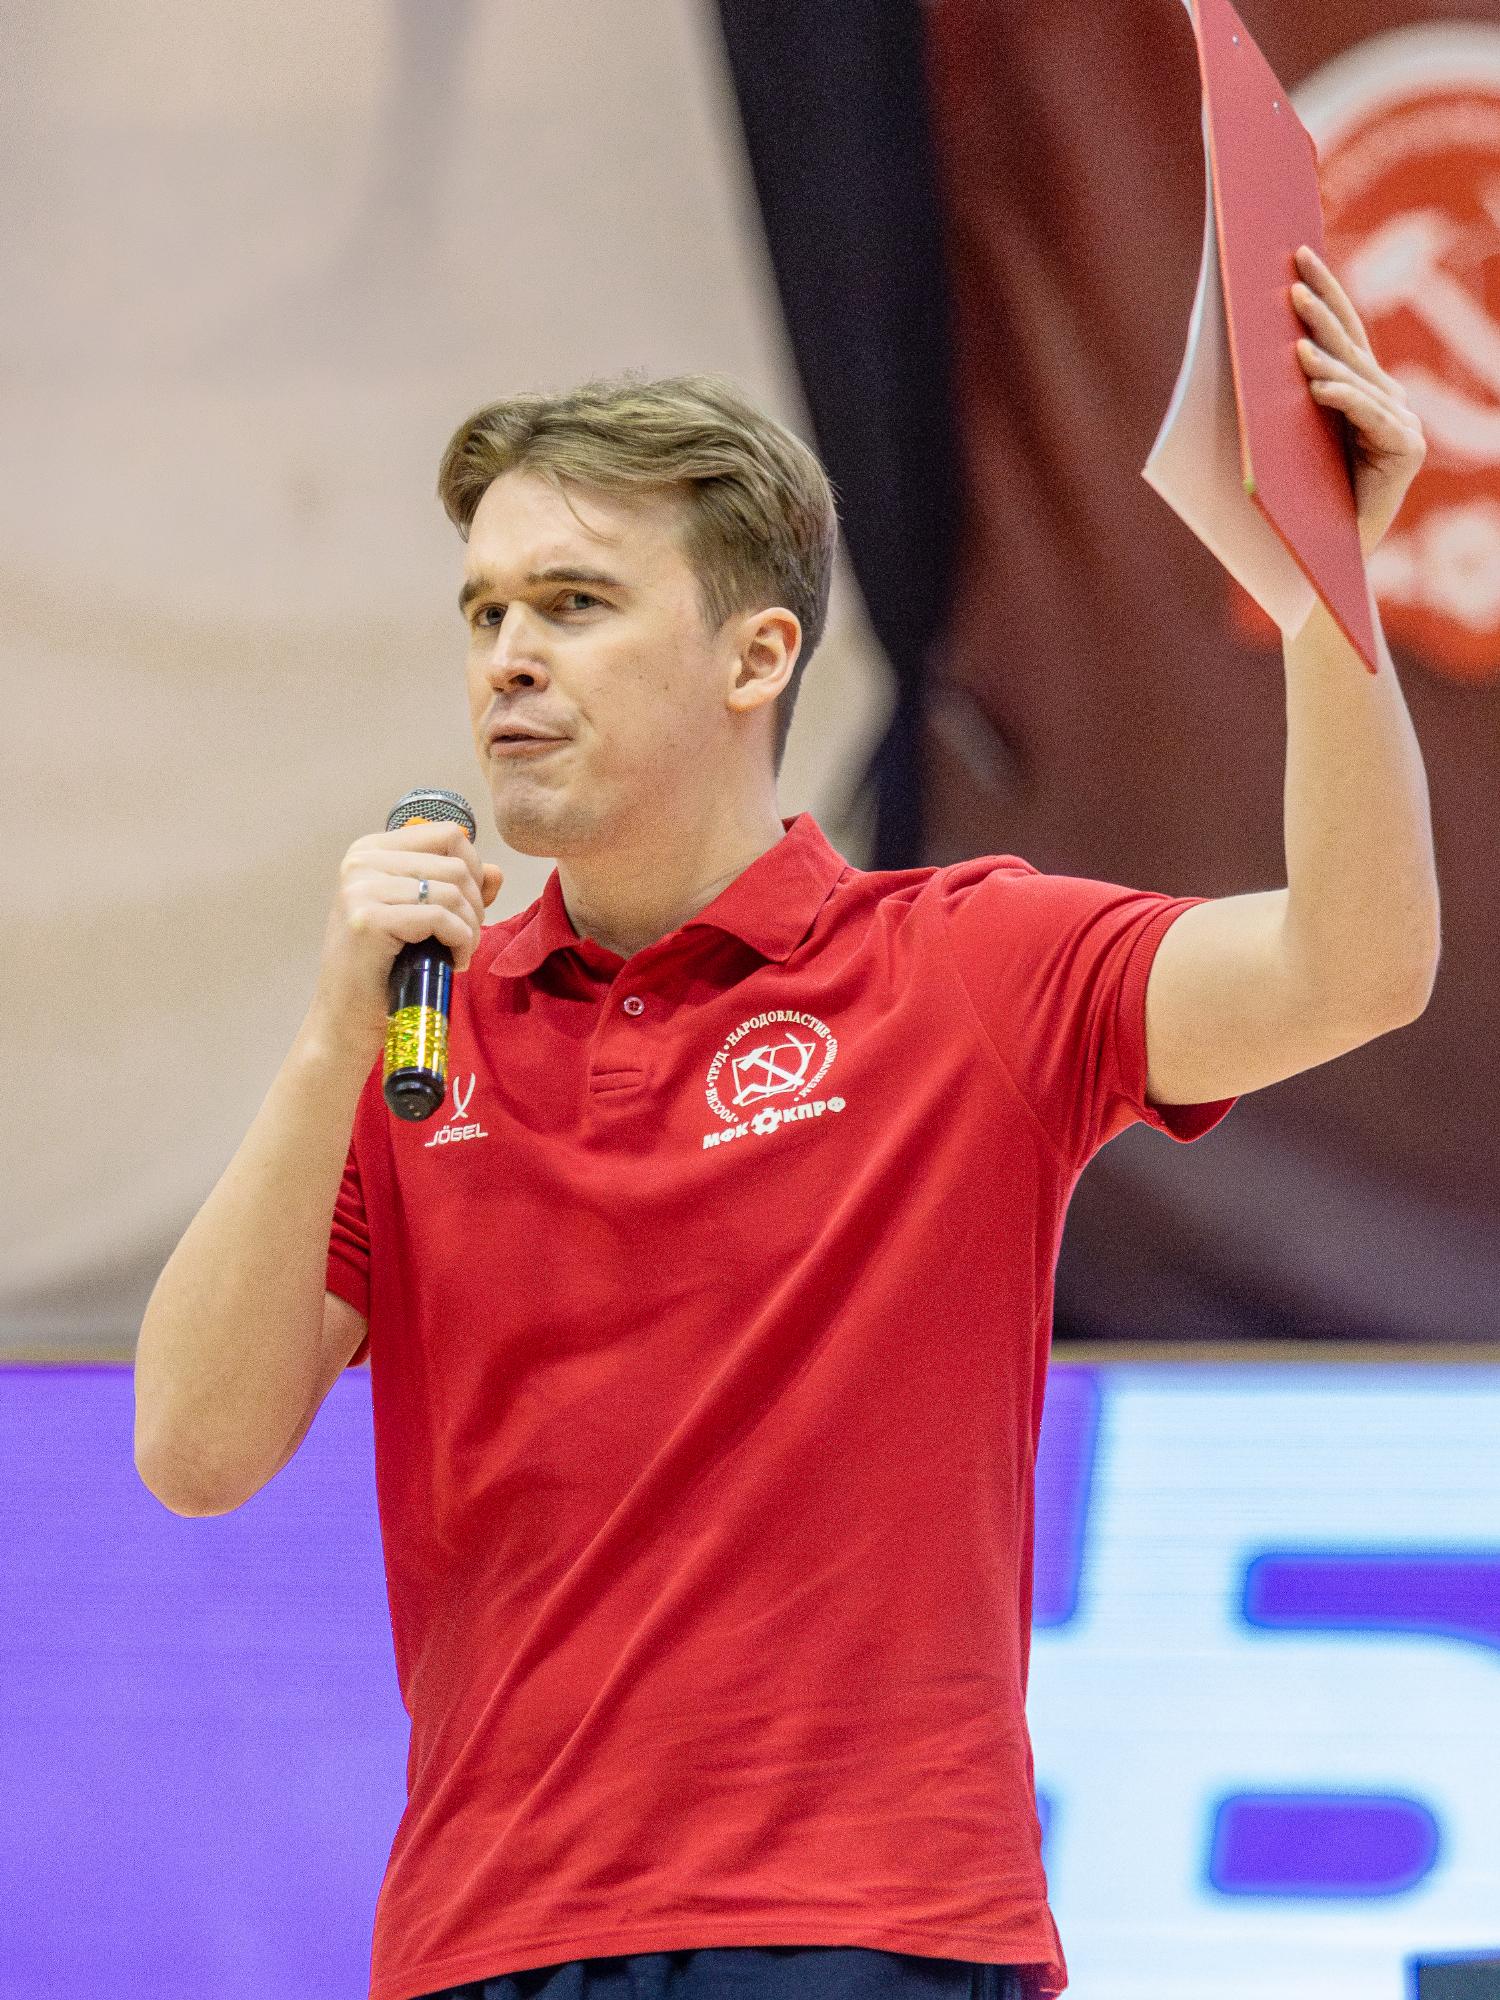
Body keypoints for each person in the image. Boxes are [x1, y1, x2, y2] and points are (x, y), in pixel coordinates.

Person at [134, 248, 1439, 2000]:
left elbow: (1355, 968)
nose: (509, 661)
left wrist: (1325, 595)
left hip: (873, 1932)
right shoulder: (412, 1043)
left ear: (758, 654)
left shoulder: (967, 962)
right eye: (485, 612)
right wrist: (323, 1047)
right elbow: (195, 1452)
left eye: (574, 605)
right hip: (488, 1945)